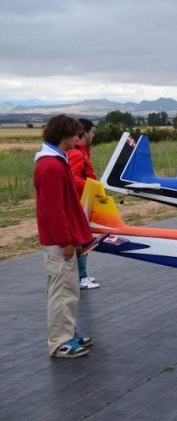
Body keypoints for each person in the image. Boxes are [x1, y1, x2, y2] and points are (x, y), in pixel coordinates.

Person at [34, 114, 95, 358]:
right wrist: (66, 240)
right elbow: (53, 209)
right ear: (64, 136)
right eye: (74, 135)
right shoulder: (50, 166)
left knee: (69, 289)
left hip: (64, 238)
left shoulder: (56, 161)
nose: (77, 139)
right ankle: (59, 342)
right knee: (61, 291)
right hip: (59, 242)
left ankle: (68, 332)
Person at [68, 118, 100, 289]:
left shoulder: (82, 152)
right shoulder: (77, 153)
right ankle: (81, 277)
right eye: (92, 131)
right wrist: (92, 186)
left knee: (84, 238)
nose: (93, 134)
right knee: (82, 239)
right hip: (81, 202)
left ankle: (83, 275)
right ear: (85, 132)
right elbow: (73, 178)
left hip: (84, 200)